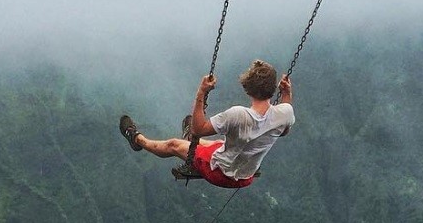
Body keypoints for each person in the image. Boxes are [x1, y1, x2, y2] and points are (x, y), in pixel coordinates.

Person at [119, 60, 294, 189]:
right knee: (218, 144)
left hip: (219, 173)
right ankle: (189, 140)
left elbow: (199, 129)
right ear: (273, 88)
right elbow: (283, 131)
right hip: (246, 175)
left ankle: (136, 139)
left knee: (174, 144)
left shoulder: (237, 115)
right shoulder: (285, 112)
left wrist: (202, 92)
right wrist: (287, 93)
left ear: (247, 88)